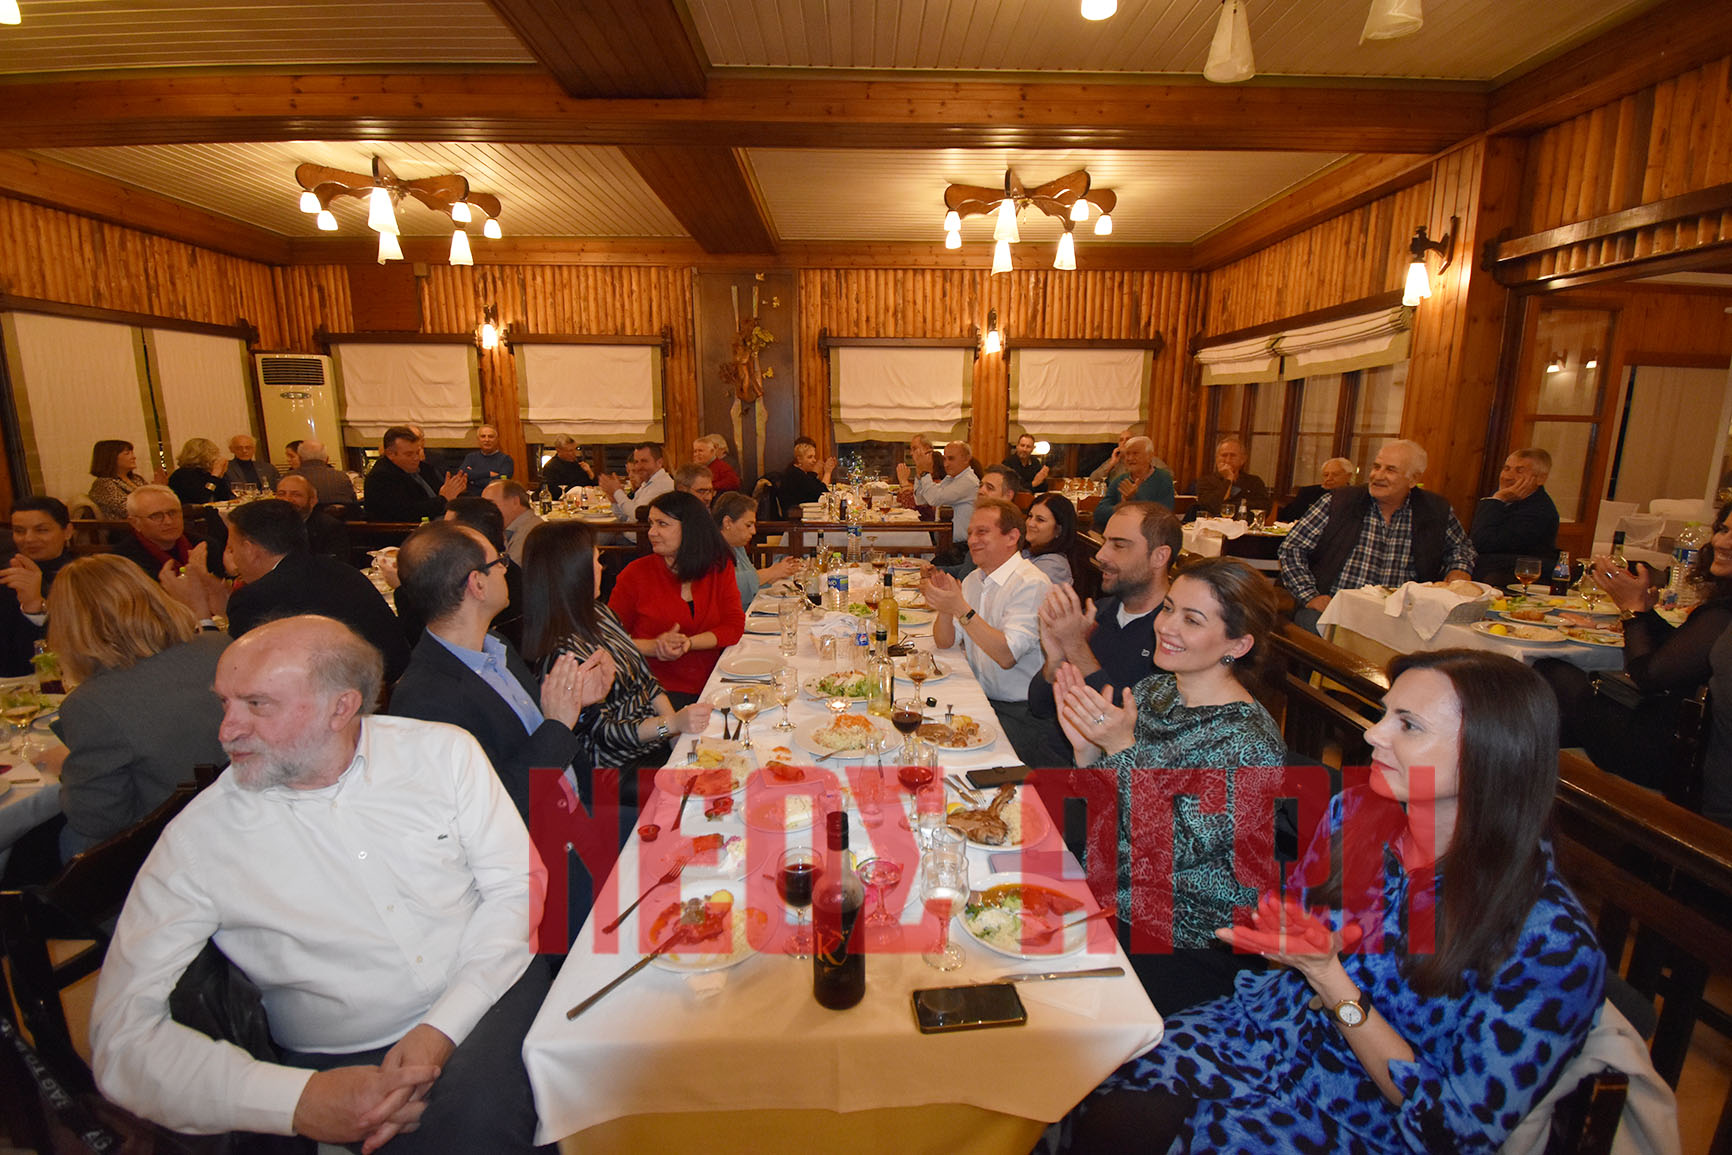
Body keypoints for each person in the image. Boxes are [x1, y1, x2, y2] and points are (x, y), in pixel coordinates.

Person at [1065, 650, 1606, 1154]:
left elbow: (1454, 1133)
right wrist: (1282, 945)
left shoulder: (1549, 941)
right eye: (1385, 713)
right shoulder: (1357, 815)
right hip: (1264, 1032)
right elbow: (1294, 943)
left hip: (1360, 1116)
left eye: (1408, 725)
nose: (1373, 734)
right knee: (1091, 1090)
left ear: (1491, 755)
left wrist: (1332, 981)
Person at [89, 616, 555, 1154]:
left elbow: (517, 887)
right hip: (338, 1054)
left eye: (257, 704)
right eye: (225, 703)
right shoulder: (199, 839)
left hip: (487, 992)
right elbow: (119, 1037)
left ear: (343, 707)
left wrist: (441, 1027)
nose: (226, 730)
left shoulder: (442, 753)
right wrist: (296, 1100)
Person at [1052, 556, 1287, 1013]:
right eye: (1169, 608)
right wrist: (1086, 753)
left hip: (1185, 933)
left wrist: (1120, 749)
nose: (1168, 626)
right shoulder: (1156, 690)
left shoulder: (1248, 742)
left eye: (1192, 619)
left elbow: (1167, 851)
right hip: (1110, 891)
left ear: (1237, 645)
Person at [390, 521, 610, 820]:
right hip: (534, 851)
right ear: (477, 584)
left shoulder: (495, 645)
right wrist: (558, 724)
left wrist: (575, 705)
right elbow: (491, 806)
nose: (507, 569)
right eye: (500, 561)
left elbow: (533, 735)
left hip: (579, 812)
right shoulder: (425, 699)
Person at [1536, 501, 1732, 796]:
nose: (1720, 542)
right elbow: (1685, 651)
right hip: (1679, 733)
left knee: (1550, 672)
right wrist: (1643, 612)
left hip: (1672, 752)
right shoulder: (1720, 613)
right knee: (1573, 696)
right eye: (1723, 530)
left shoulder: (1723, 615)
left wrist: (1631, 610)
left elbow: (1648, 675)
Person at [44, 555, 228, 858]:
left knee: (71, 839)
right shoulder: (218, 646)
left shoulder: (91, 702)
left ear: (70, 627)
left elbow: (97, 819)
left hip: (172, 841)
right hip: (239, 810)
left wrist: (67, 768)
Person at [521, 519, 713, 774]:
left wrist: (675, 737)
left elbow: (646, 680)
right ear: (574, 571)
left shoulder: (599, 613)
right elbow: (605, 732)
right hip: (615, 771)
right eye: (596, 560)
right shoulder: (563, 654)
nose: (602, 567)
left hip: (655, 740)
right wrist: (672, 724)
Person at [159, 498, 409, 682]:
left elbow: (234, 673)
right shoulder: (334, 568)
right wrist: (222, 600)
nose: (232, 554)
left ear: (250, 548)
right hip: (381, 685)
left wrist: (199, 614)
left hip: (330, 710)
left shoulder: (257, 597)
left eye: (232, 547)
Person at [1028, 502, 1179, 767]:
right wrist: (1055, 661)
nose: (1101, 555)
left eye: (1119, 545)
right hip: (1051, 762)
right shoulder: (1099, 612)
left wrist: (1076, 648)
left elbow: (1137, 727)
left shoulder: (1173, 635)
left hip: (1108, 783)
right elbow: (1039, 708)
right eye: (1105, 542)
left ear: (1159, 556)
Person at [1278, 439, 1476, 634]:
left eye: (1390, 470)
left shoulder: (1434, 509)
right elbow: (1291, 548)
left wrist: (1459, 569)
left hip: (1402, 618)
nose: (1377, 476)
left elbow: (1461, 547)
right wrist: (1310, 596)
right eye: (1376, 467)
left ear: (1413, 479)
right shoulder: (1338, 502)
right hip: (1336, 611)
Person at [921, 499, 1053, 765]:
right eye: (970, 533)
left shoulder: (1031, 583)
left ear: (1012, 537)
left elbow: (1006, 656)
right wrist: (946, 607)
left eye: (982, 532)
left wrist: (959, 607)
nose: (972, 540)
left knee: (945, 760)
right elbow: (945, 643)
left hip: (1020, 713)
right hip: (979, 697)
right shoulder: (974, 580)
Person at [608, 490, 744, 708]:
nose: (652, 532)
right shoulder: (635, 575)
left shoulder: (718, 567)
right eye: (651, 523)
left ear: (690, 529)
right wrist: (655, 647)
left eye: (662, 524)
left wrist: (688, 644)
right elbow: (609, 641)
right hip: (654, 691)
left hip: (714, 683)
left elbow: (733, 626)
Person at [0, 497, 75, 676]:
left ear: (68, 532)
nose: (29, 539)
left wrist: (36, 606)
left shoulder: (83, 575)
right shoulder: (6, 575)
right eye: (19, 531)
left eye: (41, 530)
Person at [1470, 447, 1560, 588]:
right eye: (1506, 469)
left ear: (1540, 479)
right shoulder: (1508, 497)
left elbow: (1482, 542)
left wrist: (1497, 499)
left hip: (1516, 580)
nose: (1507, 477)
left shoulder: (1540, 511)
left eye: (1519, 471)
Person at [713, 491, 798, 609]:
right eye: (748, 525)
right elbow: (728, 586)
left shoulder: (737, 546)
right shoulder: (710, 549)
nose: (754, 531)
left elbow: (751, 585)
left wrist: (776, 574)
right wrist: (770, 572)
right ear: (728, 522)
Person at [365, 426, 465, 522]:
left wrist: (457, 491)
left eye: (417, 452)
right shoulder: (381, 477)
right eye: (409, 454)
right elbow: (407, 512)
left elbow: (443, 494)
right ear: (390, 454)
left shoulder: (424, 468)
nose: (416, 458)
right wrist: (443, 499)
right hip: (407, 533)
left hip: (438, 523)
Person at [1091, 436, 1175, 531]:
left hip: (1151, 536)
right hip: (1122, 531)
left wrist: (1134, 499)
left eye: (1135, 453)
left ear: (1150, 456)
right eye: (1127, 454)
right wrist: (1123, 505)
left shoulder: (1163, 478)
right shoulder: (1119, 480)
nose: (1130, 458)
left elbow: (1164, 515)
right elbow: (1099, 514)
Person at [110, 485, 193, 579]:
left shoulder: (203, 546)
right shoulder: (124, 561)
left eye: (173, 512)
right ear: (135, 523)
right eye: (156, 516)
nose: (168, 521)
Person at [906, 440, 980, 534]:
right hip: (943, 538)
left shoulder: (968, 481)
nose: (946, 464)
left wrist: (925, 472)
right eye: (944, 459)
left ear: (966, 459)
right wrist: (920, 473)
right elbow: (921, 500)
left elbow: (934, 499)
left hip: (960, 545)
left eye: (951, 459)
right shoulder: (950, 478)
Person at [274, 474, 351, 561]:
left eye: (296, 495)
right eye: (281, 494)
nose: (287, 499)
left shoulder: (330, 528)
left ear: (312, 501)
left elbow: (334, 566)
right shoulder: (269, 526)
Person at [1189, 436, 1270, 518]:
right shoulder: (1205, 481)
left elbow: (1263, 509)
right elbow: (1212, 507)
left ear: (1243, 459)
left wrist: (1230, 506)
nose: (1227, 460)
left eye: (1233, 455)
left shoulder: (1254, 482)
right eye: (1224, 455)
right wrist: (1228, 479)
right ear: (1217, 458)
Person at [598, 442, 673, 522]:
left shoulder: (662, 484)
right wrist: (614, 500)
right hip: (628, 532)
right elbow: (625, 518)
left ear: (659, 463)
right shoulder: (647, 484)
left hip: (645, 534)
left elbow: (636, 515)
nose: (638, 467)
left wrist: (617, 491)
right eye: (636, 462)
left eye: (644, 461)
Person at [1024, 492, 1082, 587]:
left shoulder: (1054, 565)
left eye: (1040, 520)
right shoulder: (1027, 551)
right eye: (1030, 516)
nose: (1030, 523)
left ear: (1058, 530)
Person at [88, 439, 152, 519]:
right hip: (127, 528)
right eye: (127, 453)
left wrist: (160, 488)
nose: (134, 457)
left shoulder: (136, 478)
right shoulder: (104, 484)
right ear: (111, 458)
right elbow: (128, 510)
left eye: (132, 453)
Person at [483, 479, 543, 566]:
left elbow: (512, 574)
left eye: (491, 504)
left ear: (515, 501)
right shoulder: (510, 529)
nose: (486, 511)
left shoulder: (531, 532)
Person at [1279, 456, 1355, 522]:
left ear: (1348, 476)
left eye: (1335, 474)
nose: (1329, 478)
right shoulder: (1308, 493)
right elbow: (1292, 517)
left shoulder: (1355, 496)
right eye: (1326, 475)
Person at [291, 438, 359, 505]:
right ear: (327, 459)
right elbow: (354, 507)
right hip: (338, 516)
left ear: (299, 459)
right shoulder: (342, 477)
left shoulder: (287, 480)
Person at [166, 437, 233, 504]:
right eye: (214, 453)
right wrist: (214, 476)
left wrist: (221, 476)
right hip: (192, 513)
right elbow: (202, 499)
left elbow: (225, 498)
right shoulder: (183, 475)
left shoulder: (206, 473)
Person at [776, 435, 834, 512]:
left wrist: (814, 473)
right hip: (796, 519)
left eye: (814, 457)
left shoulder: (800, 472)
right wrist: (827, 472)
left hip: (804, 514)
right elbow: (822, 494)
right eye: (810, 457)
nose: (814, 460)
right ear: (799, 459)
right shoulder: (795, 475)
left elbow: (817, 488)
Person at [460, 424, 515, 496]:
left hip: (495, 500)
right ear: (478, 440)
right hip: (472, 499)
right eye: (483, 436)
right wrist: (488, 474)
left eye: (491, 436)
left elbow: (500, 483)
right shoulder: (470, 457)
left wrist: (473, 481)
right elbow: (461, 474)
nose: (487, 440)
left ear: (497, 439)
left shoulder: (506, 460)